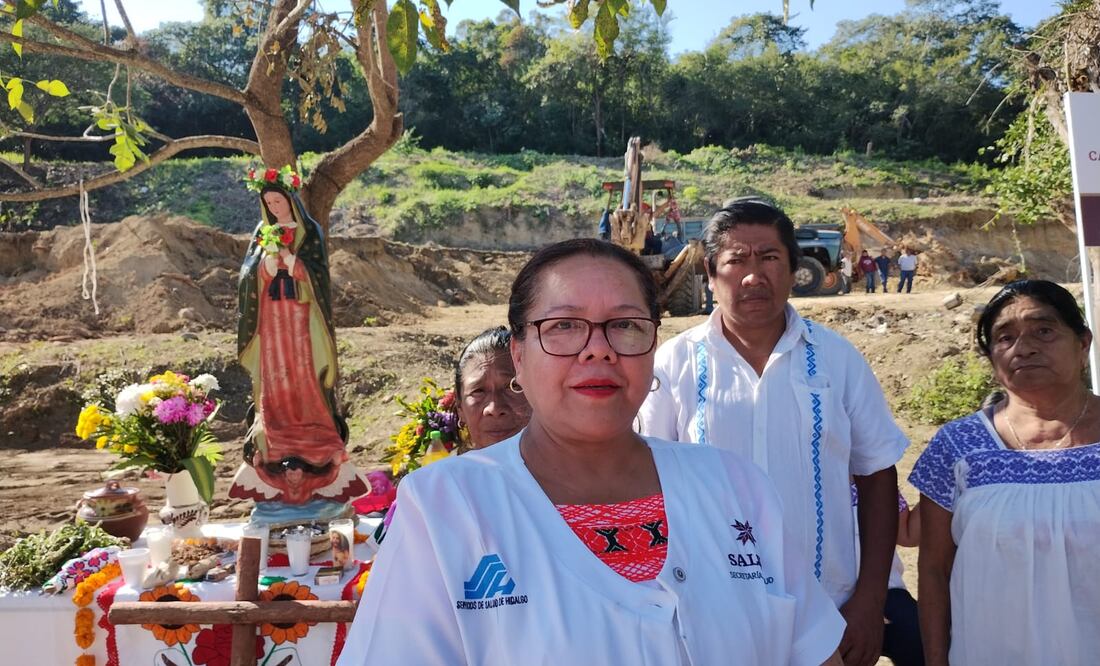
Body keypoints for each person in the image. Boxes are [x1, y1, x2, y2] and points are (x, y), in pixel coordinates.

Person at [340, 239, 845, 665]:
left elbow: (816, 652)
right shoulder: (445, 504)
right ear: (518, 354)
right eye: (563, 326)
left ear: (652, 347)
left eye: (625, 325)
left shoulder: (738, 487)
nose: (598, 349)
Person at [638, 199, 908, 666]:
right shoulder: (674, 363)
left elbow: (878, 474)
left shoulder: (837, 360)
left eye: (768, 258)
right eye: (736, 260)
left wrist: (871, 600)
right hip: (708, 614)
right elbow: (642, 481)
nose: (752, 275)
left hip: (830, 609)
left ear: (791, 265)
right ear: (710, 270)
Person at [910, 279, 1100, 666]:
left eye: (1044, 331)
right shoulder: (957, 445)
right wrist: (934, 659)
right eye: (1005, 337)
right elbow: (933, 570)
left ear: (1083, 343)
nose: (1023, 348)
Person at [232, 180, 366, 509]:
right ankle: (276, 422)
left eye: (279, 202)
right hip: (272, 316)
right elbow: (247, 276)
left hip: (301, 315)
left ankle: (312, 420)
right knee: (275, 370)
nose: (276, 209)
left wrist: (292, 262)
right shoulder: (262, 232)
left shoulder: (310, 232)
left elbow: (319, 275)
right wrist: (266, 266)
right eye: (270, 204)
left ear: (290, 200)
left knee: (303, 369)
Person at [453, 326, 531, 450]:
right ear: (460, 408)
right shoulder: (446, 469)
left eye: (513, 387)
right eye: (478, 391)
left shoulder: (570, 467)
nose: (494, 409)